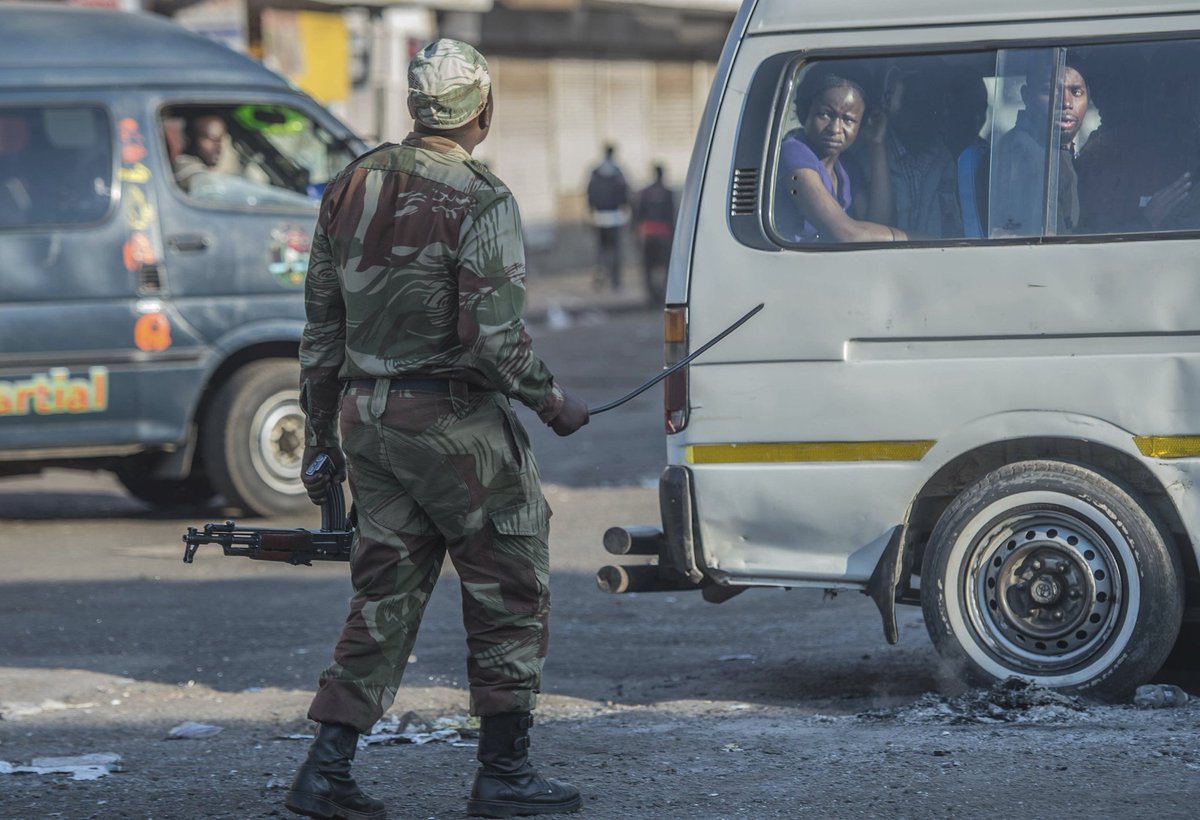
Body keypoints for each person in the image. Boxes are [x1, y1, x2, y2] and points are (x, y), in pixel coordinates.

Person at [285, 39, 589, 820]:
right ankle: (504, 772)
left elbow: (320, 328)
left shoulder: (349, 184)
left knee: (383, 595)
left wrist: (321, 440)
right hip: (452, 424)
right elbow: (494, 340)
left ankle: (326, 773)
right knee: (511, 577)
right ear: (483, 110)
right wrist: (553, 404)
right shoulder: (482, 198)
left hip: (367, 421)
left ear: (419, 108)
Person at [775, 73, 907, 243]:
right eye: (825, 115)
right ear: (805, 112)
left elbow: (879, 223)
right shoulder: (793, 152)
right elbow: (845, 233)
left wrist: (877, 144)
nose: (835, 129)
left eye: (848, 120)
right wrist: (911, 239)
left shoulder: (845, 166)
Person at [991, 58, 1089, 236]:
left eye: (1076, 92)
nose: (1066, 103)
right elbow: (1023, 235)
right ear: (1026, 96)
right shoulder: (1022, 150)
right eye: (1050, 91)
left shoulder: (1055, 149)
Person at [585, 143, 629, 290]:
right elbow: (625, 193)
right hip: (615, 217)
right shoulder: (618, 171)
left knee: (601, 252)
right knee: (615, 251)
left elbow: (589, 193)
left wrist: (591, 211)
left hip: (599, 218)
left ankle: (599, 281)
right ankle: (615, 282)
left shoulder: (596, 172)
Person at [633, 163, 675, 304]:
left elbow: (639, 215)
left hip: (649, 233)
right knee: (665, 266)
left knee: (648, 267)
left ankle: (650, 295)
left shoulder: (645, 192)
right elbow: (671, 215)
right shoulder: (667, 192)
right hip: (664, 233)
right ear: (662, 174)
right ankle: (662, 293)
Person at [173, 113, 228, 193]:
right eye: (212, 139)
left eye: (220, 140)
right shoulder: (185, 168)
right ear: (191, 139)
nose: (219, 147)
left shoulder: (203, 168)